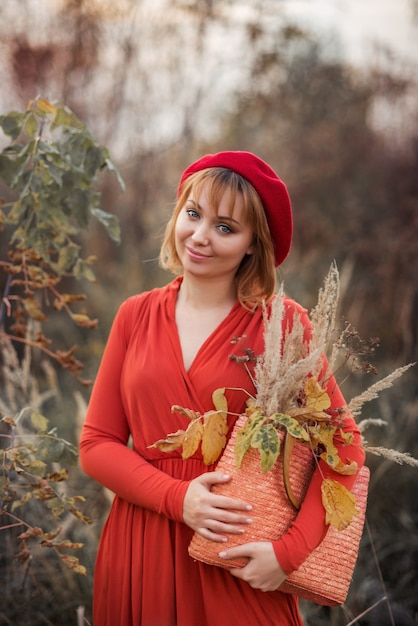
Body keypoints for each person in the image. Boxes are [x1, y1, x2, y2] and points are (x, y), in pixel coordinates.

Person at [79, 151, 365, 626]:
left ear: (254, 245)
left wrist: (288, 554)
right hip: (140, 543)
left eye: (226, 227)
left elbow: (346, 449)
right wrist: (177, 498)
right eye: (194, 214)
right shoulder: (134, 314)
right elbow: (96, 444)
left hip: (236, 557)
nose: (201, 236)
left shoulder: (281, 324)